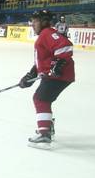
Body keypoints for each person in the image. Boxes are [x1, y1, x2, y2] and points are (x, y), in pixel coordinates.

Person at [19, 9, 75, 147]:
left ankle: (44, 133)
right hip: (56, 75)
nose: (32, 24)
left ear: (44, 22)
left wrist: (58, 65)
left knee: (40, 99)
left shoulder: (47, 33)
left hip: (59, 76)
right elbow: (44, 59)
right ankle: (47, 127)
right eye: (32, 21)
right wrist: (31, 75)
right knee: (44, 99)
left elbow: (66, 47)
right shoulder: (45, 35)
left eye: (35, 21)